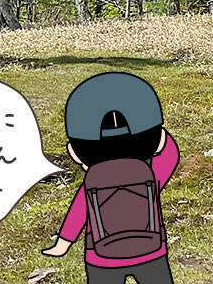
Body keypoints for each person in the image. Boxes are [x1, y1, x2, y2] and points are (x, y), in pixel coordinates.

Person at [41, 72, 179, 284]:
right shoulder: (152, 173)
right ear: (156, 140)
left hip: (100, 257)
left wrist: (62, 244)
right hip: (151, 251)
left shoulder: (92, 180)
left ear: (75, 152)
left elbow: (79, 212)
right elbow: (170, 153)